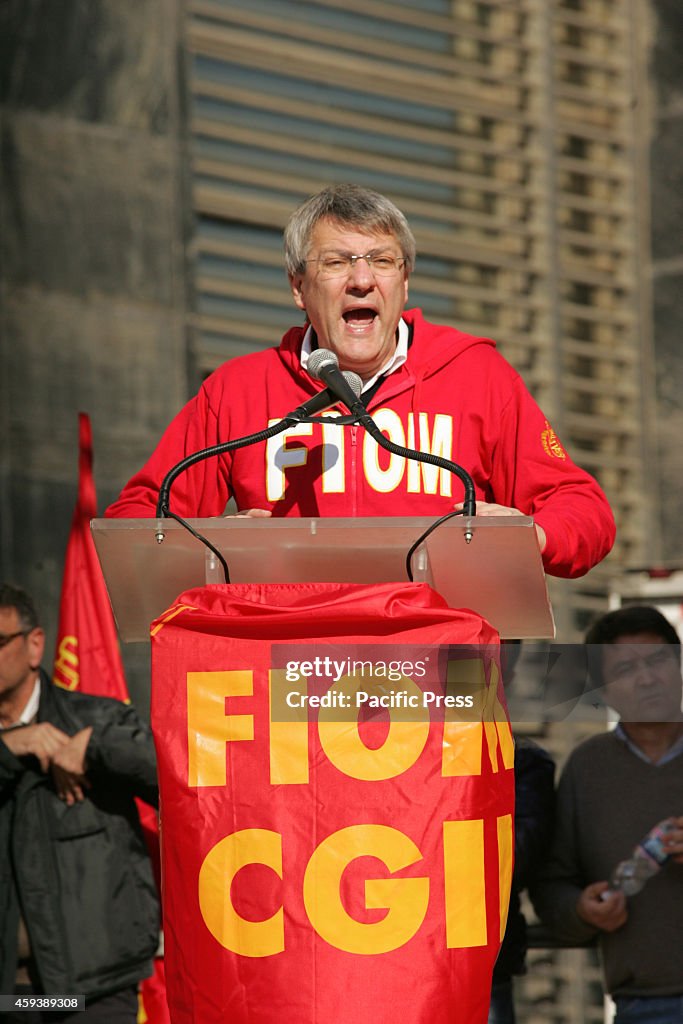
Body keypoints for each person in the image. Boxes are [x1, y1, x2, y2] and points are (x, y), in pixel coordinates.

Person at [105, 183, 615, 580]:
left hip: (438, 676)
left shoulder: (477, 377)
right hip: (283, 681)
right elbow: (138, 520)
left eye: (382, 260)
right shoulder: (237, 391)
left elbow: (584, 511)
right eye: (336, 262)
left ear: (404, 281)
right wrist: (204, 546)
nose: (362, 279)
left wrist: (533, 536)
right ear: (299, 288)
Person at [0, 584, 160, 1023]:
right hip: (11, 997)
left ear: (35, 645)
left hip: (93, 990)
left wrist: (97, 746)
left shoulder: (97, 720)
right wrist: (12, 745)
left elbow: (177, 779)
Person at [532, 605, 683, 1024]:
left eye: (658, 660)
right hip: (644, 1004)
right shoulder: (586, 768)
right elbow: (551, 885)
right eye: (626, 670)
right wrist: (581, 911)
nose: (648, 678)